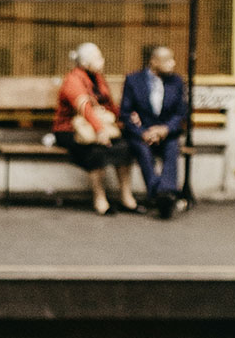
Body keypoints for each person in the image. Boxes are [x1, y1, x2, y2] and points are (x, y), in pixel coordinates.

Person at [52, 42, 138, 216]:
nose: (102, 60)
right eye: (97, 57)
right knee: (95, 151)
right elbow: (85, 109)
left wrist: (125, 117)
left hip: (96, 128)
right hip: (70, 130)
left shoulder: (98, 78)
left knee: (125, 147)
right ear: (85, 62)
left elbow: (109, 104)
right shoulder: (73, 80)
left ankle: (126, 197)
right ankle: (100, 199)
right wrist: (100, 131)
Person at [120, 46, 188, 219]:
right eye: (168, 60)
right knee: (142, 150)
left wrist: (164, 130)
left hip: (166, 133)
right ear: (153, 62)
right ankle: (164, 195)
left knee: (172, 148)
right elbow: (126, 113)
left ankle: (161, 193)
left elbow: (181, 113)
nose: (173, 63)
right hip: (141, 134)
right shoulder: (134, 80)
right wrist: (142, 132)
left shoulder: (177, 82)